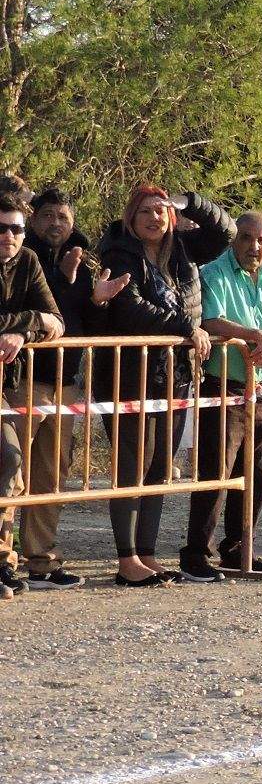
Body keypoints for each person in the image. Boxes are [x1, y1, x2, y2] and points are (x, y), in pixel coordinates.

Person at [98, 186, 233, 586]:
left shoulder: (184, 250)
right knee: (133, 467)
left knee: (159, 468)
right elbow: (131, 308)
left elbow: (225, 232)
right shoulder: (118, 252)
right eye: (145, 211)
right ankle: (127, 560)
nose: (154, 218)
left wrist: (189, 202)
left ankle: (148, 553)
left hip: (174, 375)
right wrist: (186, 327)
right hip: (129, 375)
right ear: (130, 217)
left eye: (160, 210)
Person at [181, 212, 262, 580]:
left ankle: (238, 549)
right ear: (234, 239)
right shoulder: (214, 273)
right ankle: (196, 553)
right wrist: (254, 335)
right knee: (216, 474)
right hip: (223, 388)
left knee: (258, 477)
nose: (254, 246)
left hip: (259, 390)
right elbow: (211, 321)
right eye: (246, 238)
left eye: (261, 240)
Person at [19, 190, 123, 589]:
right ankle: (4, 559)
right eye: (47, 215)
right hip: (23, 381)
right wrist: (62, 280)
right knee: (10, 471)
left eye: (63, 216)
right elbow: (42, 313)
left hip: (64, 384)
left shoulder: (82, 258)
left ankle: (41, 560)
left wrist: (97, 301)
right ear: (32, 219)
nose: (55, 224)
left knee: (51, 475)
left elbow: (83, 326)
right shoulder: (21, 258)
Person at [0, 196, 69, 598]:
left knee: (11, 463)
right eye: (1, 228)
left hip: (7, 385)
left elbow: (55, 320)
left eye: (16, 229)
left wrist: (21, 332)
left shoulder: (27, 260)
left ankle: (3, 561)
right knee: (8, 459)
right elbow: (41, 318)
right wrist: (29, 322)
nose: (8, 236)